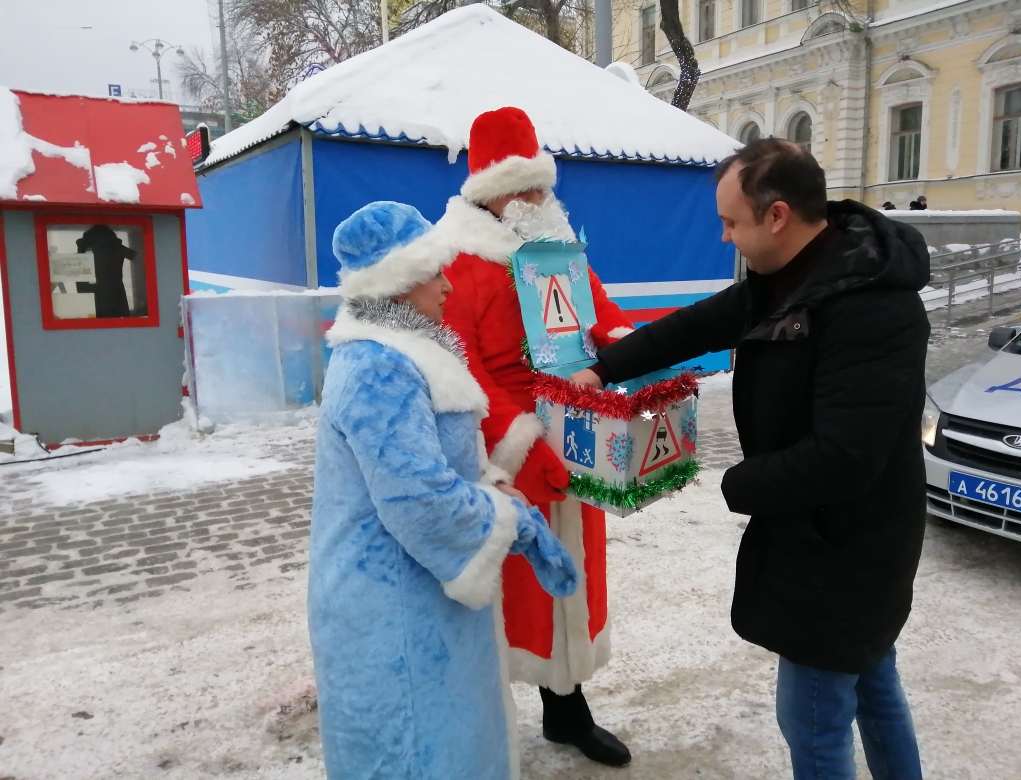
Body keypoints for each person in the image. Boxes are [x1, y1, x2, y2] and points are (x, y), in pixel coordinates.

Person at [572, 139, 930, 780]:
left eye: (731, 222)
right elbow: (693, 327)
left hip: (846, 550)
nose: (722, 237)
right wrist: (602, 371)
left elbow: (845, 457)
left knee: (815, 724)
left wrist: (740, 481)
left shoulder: (871, 305)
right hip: (824, 535)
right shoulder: (786, 280)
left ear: (778, 215)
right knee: (874, 687)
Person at [309, 201, 579, 780]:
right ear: (400, 283)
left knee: (448, 739)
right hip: (392, 604)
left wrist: (493, 484)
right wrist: (503, 515)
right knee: (415, 750)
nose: (448, 285)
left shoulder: (412, 350)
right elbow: (418, 497)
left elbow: (442, 460)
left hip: (422, 593)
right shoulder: (380, 367)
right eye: (435, 272)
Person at [437, 107, 635, 768]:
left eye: (541, 187)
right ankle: (481, 727)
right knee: (502, 595)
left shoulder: (554, 246)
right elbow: (456, 364)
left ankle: (566, 712)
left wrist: (628, 348)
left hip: (573, 433)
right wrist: (521, 442)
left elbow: (598, 312)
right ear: (490, 190)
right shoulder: (456, 259)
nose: (539, 200)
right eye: (525, 189)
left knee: (565, 581)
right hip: (503, 452)